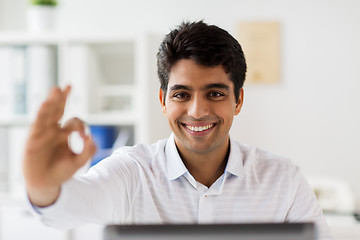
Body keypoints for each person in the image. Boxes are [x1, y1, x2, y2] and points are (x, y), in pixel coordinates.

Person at [23, 21, 332, 239]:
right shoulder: (132, 172)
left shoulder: (283, 180)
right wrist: (42, 185)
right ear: (163, 100)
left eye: (215, 93)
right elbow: (71, 205)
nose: (197, 111)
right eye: (182, 94)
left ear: (238, 100)